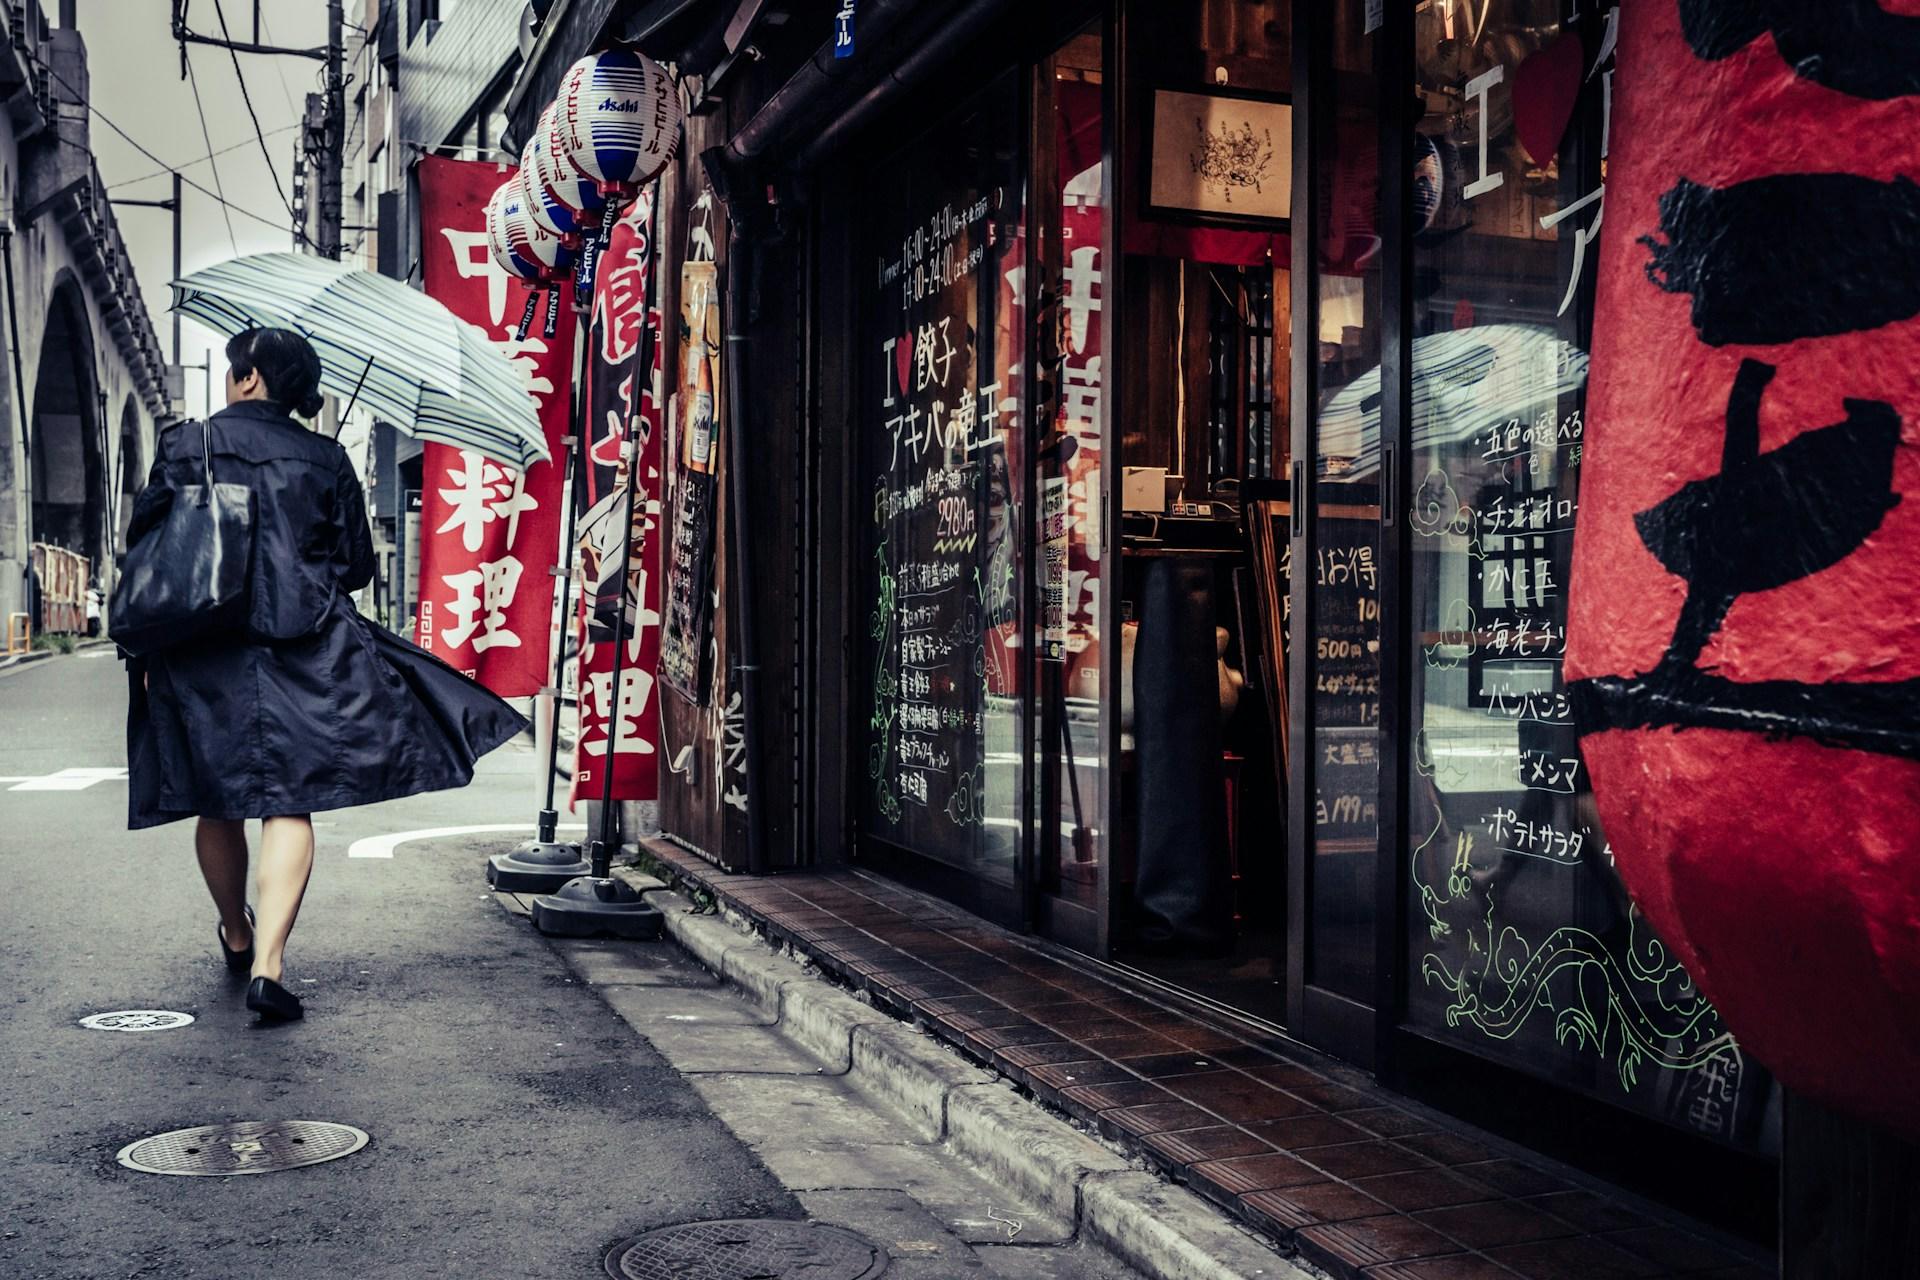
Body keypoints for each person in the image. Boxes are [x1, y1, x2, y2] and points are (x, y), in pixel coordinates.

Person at [123, 328, 527, 1024]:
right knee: (290, 800)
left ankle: (236, 931)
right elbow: (357, 567)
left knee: (216, 798)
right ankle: (269, 967)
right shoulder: (326, 455)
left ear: (250, 377)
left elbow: (147, 545)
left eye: (234, 369)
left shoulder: (188, 444)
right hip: (304, 644)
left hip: (201, 647)